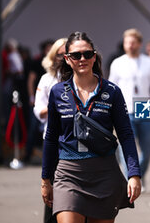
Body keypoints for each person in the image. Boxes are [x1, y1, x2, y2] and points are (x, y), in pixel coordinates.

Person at [41, 31, 141, 223]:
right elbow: (51, 137)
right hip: (68, 174)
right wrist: (46, 179)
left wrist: (134, 174)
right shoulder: (58, 92)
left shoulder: (112, 92)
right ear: (68, 59)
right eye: (76, 55)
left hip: (104, 173)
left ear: (94, 57)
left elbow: (126, 135)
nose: (82, 59)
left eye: (87, 54)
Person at [109, 28, 150, 188]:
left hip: (143, 106)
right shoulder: (118, 63)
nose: (130, 45)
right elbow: (111, 88)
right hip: (124, 107)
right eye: (127, 42)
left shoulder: (149, 62)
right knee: (126, 146)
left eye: (133, 42)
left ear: (140, 44)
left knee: (147, 148)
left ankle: (138, 175)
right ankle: (132, 178)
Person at [33, 38, 67, 223]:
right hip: (53, 138)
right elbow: (38, 110)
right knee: (52, 186)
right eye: (59, 54)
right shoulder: (47, 79)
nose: (63, 58)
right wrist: (54, 107)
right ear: (53, 56)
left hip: (76, 139)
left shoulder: (78, 77)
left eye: (66, 54)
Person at [24, 39, 54, 163]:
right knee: (33, 128)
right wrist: (32, 97)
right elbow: (31, 80)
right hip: (40, 101)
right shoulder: (37, 62)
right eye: (48, 48)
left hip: (54, 103)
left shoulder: (60, 65)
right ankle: (27, 155)